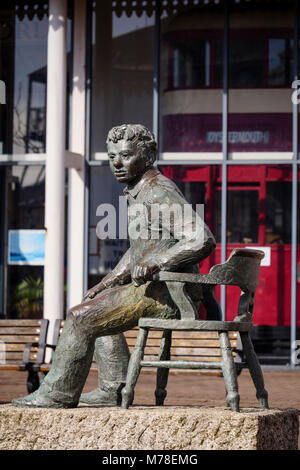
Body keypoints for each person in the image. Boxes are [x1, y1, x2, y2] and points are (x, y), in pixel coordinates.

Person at [12, 124, 216, 408]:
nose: (117, 163)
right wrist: (107, 282)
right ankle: (113, 388)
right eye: (111, 157)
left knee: (81, 319)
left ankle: (57, 393)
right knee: (96, 307)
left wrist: (157, 262)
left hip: (168, 293)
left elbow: (201, 239)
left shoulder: (158, 191)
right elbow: (138, 251)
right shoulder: (137, 191)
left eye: (126, 156)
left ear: (149, 155)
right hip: (154, 288)